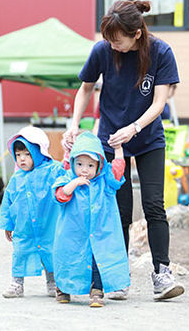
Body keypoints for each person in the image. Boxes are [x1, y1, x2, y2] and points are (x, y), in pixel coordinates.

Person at [62, 0, 184, 301]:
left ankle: (162, 274)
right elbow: (86, 88)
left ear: (137, 34)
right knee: (118, 211)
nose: (113, 46)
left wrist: (134, 127)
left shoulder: (161, 52)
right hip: (110, 142)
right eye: (109, 40)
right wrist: (74, 124)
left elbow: (159, 103)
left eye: (118, 40)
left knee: (155, 205)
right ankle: (118, 276)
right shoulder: (102, 51)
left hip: (148, 138)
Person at [53, 131, 129, 308]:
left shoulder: (105, 181)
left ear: (99, 165)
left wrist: (118, 149)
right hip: (71, 233)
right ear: (72, 163)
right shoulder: (68, 178)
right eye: (79, 164)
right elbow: (60, 195)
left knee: (97, 260)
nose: (84, 170)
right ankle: (63, 288)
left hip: (99, 233)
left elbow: (118, 169)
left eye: (90, 165)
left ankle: (97, 290)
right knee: (68, 258)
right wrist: (74, 183)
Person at [0, 126, 65, 298]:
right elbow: (8, 202)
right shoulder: (16, 178)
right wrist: (7, 224)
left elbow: (65, 175)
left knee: (49, 253)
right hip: (24, 227)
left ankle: (53, 282)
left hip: (47, 225)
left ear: (39, 151)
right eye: (18, 155)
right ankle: (16, 284)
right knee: (20, 252)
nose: (22, 159)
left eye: (27, 154)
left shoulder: (52, 170)